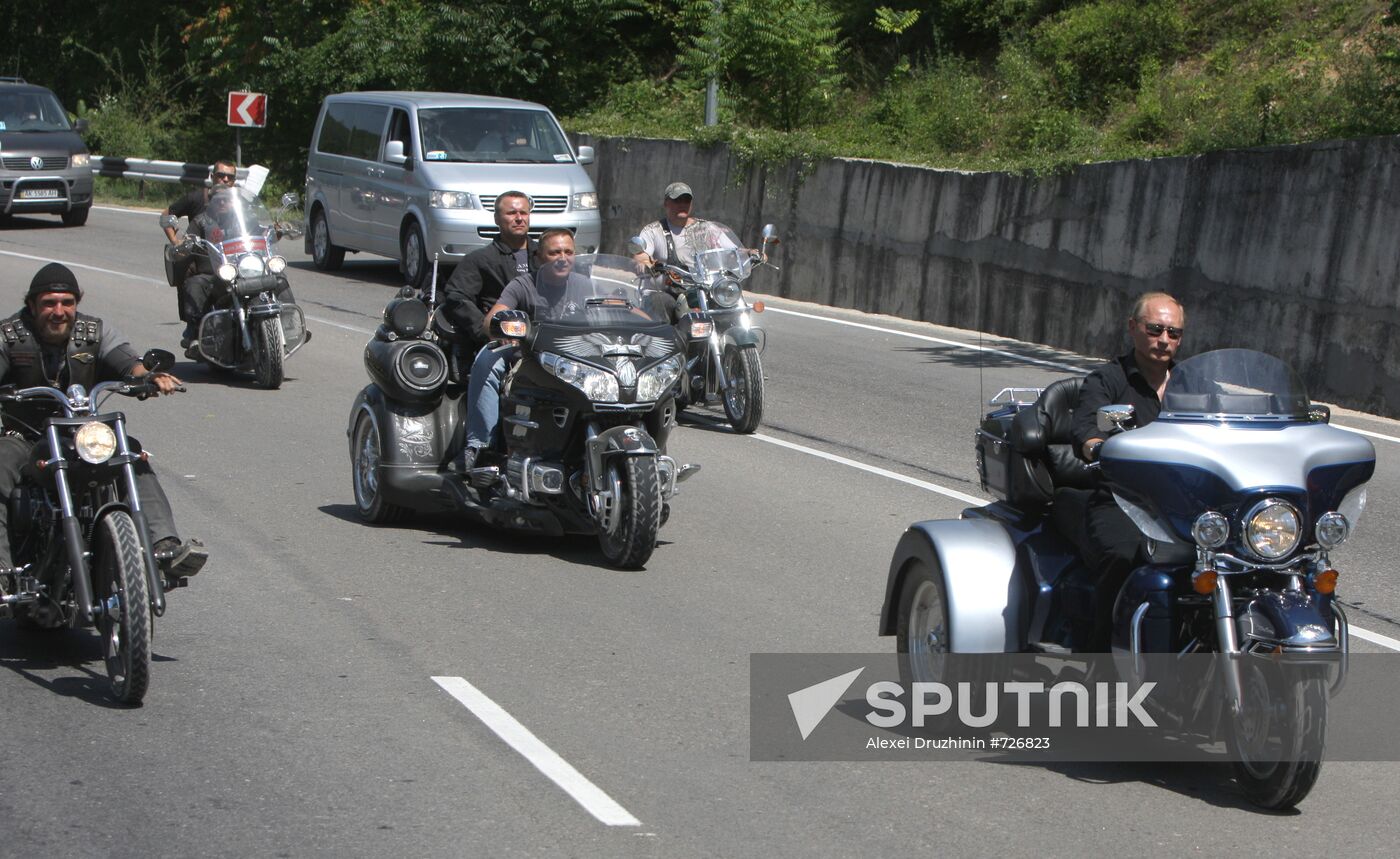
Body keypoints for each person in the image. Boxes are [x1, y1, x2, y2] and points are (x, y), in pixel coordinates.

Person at [0, 263, 207, 586]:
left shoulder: (94, 332)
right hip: (25, 437)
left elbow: (128, 362)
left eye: (67, 302)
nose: (59, 311)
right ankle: (2, 570)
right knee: (0, 464)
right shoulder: (10, 336)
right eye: (49, 303)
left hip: (81, 435)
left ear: (76, 303)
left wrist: (148, 378)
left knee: (131, 454)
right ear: (32, 305)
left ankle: (163, 547)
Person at [1071, 291, 1187, 651]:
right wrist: (1102, 447)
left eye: (1174, 333)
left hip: (1183, 502)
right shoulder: (1107, 380)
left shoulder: (1195, 387)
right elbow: (1084, 432)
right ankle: (1099, 661)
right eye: (1155, 329)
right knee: (1126, 555)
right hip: (1122, 500)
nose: (1164, 340)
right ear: (1133, 328)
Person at [456, 230, 580, 473]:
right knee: (487, 360)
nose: (562, 258)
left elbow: (619, 309)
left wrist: (648, 322)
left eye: (568, 252)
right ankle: (481, 447)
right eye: (554, 252)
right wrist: (504, 328)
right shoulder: (523, 284)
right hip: (531, 355)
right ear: (539, 257)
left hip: (576, 358)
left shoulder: (585, 285)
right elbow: (494, 317)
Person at [441, 191, 536, 369]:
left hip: (543, 339)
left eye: (523, 213)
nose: (519, 218)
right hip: (506, 345)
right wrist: (488, 329)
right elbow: (457, 297)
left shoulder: (545, 256)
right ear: (497, 219)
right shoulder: (480, 259)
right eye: (511, 213)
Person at [630, 182, 737, 322]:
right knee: (661, 303)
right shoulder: (653, 231)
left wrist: (750, 253)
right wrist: (645, 263)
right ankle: (665, 342)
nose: (682, 204)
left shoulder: (706, 228)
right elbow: (641, 255)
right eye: (677, 200)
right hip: (663, 291)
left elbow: (732, 250)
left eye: (686, 200)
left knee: (727, 301)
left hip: (701, 289)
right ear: (666, 203)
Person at [163, 161, 237, 345]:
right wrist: (176, 241)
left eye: (230, 177)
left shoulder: (240, 202)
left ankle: (284, 323)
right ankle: (194, 327)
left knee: (275, 277)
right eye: (221, 175)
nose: (225, 179)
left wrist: (272, 233)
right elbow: (167, 214)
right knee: (193, 281)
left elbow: (255, 227)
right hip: (204, 259)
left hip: (237, 263)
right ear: (213, 177)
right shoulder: (197, 200)